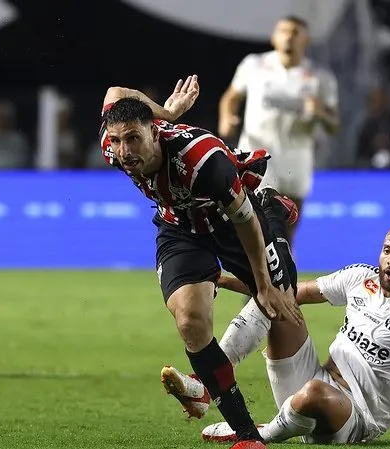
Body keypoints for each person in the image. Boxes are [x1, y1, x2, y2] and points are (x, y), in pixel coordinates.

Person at [163, 223, 390, 447]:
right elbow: (292, 292)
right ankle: (206, 386)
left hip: (355, 416)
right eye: (387, 250)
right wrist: (222, 279)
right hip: (313, 378)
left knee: (314, 392)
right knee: (278, 299)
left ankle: (256, 433)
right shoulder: (360, 278)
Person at [101, 76, 303, 449]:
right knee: (190, 323)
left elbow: (243, 220)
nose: (123, 150)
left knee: (281, 301)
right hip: (179, 225)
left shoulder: (202, 160)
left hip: (232, 221)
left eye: (132, 138)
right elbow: (115, 92)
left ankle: (273, 209)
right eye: (116, 140)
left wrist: (261, 285)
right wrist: (168, 111)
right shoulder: (112, 145)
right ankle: (247, 436)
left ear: (154, 133)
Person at [219, 15, 339, 244]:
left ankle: (284, 277)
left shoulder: (320, 78)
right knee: (251, 225)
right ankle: (253, 276)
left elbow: (334, 125)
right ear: (274, 37)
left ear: (306, 40)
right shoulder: (254, 64)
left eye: (296, 32)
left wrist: (322, 112)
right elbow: (231, 97)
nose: (289, 37)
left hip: (297, 158)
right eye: (284, 31)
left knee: (287, 231)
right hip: (257, 156)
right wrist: (227, 117)